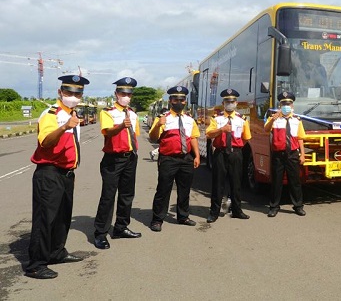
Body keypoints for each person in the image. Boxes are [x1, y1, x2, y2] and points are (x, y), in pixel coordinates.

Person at [24, 75, 89, 279]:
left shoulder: (72, 113)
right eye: (69, 92)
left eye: (77, 93)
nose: (73, 96)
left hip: (66, 174)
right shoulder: (51, 114)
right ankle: (36, 264)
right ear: (60, 92)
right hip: (49, 173)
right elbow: (45, 142)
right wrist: (64, 127)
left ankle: (56, 252)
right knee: (45, 219)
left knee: (62, 217)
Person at [93, 77, 142, 250]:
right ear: (116, 94)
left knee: (127, 195)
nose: (126, 96)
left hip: (130, 158)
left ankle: (121, 227)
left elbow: (135, 136)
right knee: (108, 196)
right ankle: (100, 233)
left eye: (129, 93)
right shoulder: (108, 112)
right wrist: (121, 126)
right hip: (113, 159)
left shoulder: (133, 114)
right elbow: (108, 132)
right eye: (123, 93)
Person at [148, 86, 201, 232]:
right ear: (170, 101)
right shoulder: (163, 118)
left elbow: (194, 138)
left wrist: (196, 155)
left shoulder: (189, 120)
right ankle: (157, 219)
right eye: (176, 99)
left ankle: (183, 216)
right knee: (163, 189)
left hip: (186, 159)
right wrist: (158, 125)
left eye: (182, 99)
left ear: (185, 101)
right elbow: (153, 137)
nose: (179, 102)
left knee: (184, 189)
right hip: (168, 159)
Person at [206, 88, 251, 222]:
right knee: (218, 183)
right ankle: (214, 212)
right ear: (223, 103)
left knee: (236, 183)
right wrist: (221, 130)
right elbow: (208, 134)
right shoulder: (216, 118)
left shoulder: (242, 119)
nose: (230, 103)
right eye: (227, 101)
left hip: (235, 153)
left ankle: (237, 210)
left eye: (232, 101)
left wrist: (236, 148)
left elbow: (246, 138)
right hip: (220, 153)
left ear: (236, 103)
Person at [264, 91, 307, 217]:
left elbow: (300, 138)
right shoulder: (274, 119)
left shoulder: (297, 120)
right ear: (280, 105)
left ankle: (298, 206)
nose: (286, 106)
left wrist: (302, 154)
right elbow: (266, 129)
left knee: (295, 181)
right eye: (283, 103)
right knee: (276, 181)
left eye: (288, 103)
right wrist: (273, 119)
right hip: (278, 154)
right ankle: (273, 206)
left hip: (292, 154)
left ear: (292, 106)